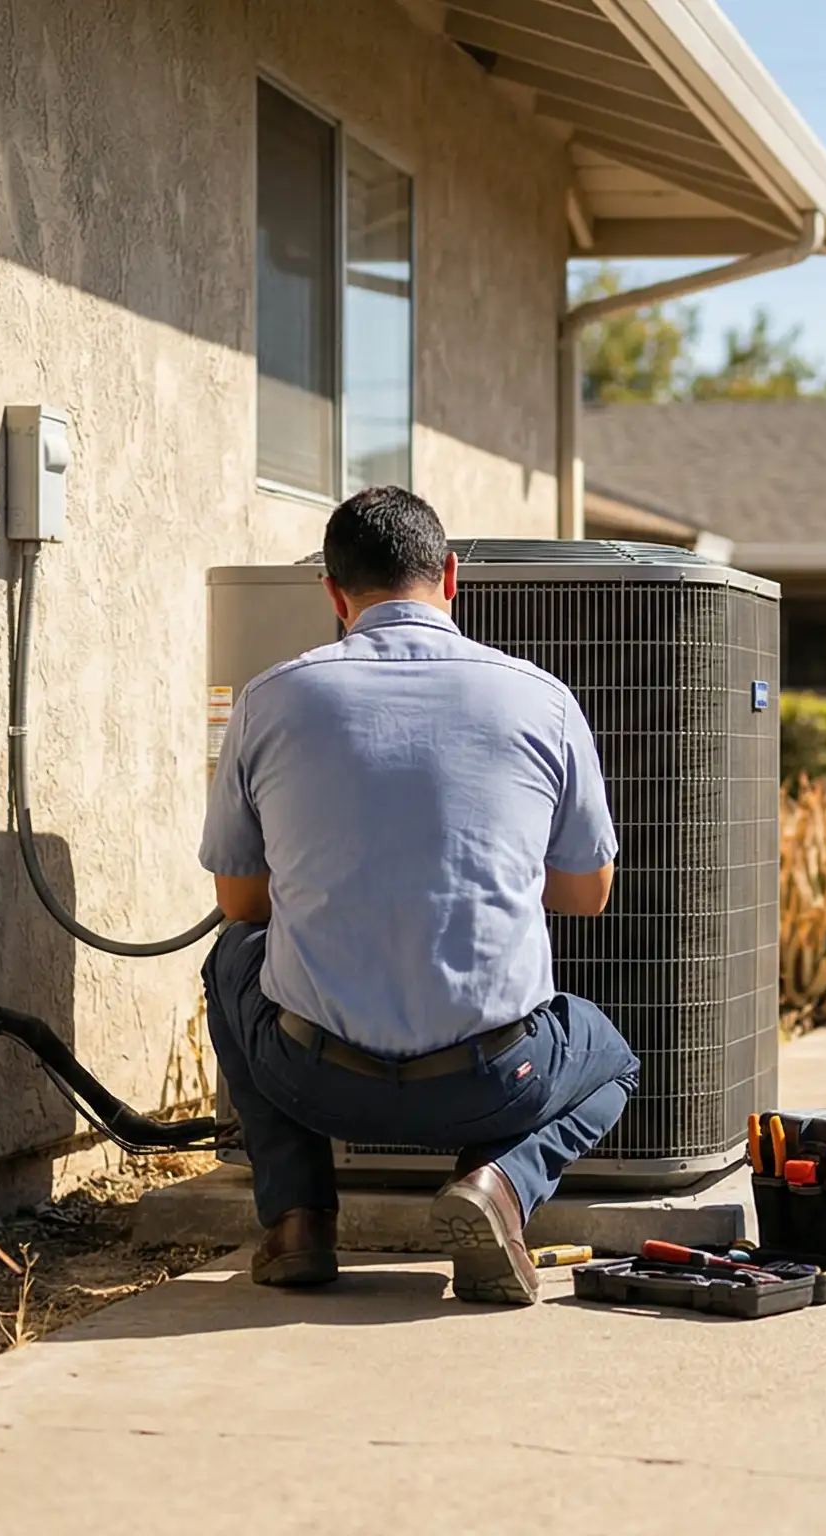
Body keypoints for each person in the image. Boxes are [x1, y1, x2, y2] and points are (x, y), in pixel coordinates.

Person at [197, 486, 638, 1305]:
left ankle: (297, 1220)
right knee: (611, 1057)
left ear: (333, 593)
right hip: (492, 1083)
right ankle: (497, 1186)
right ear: (451, 576)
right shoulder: (540, 697)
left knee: (231, 962)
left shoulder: (269, 698)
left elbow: (240, 906)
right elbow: (588, 893)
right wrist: (490, 869)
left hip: (313, 1078)